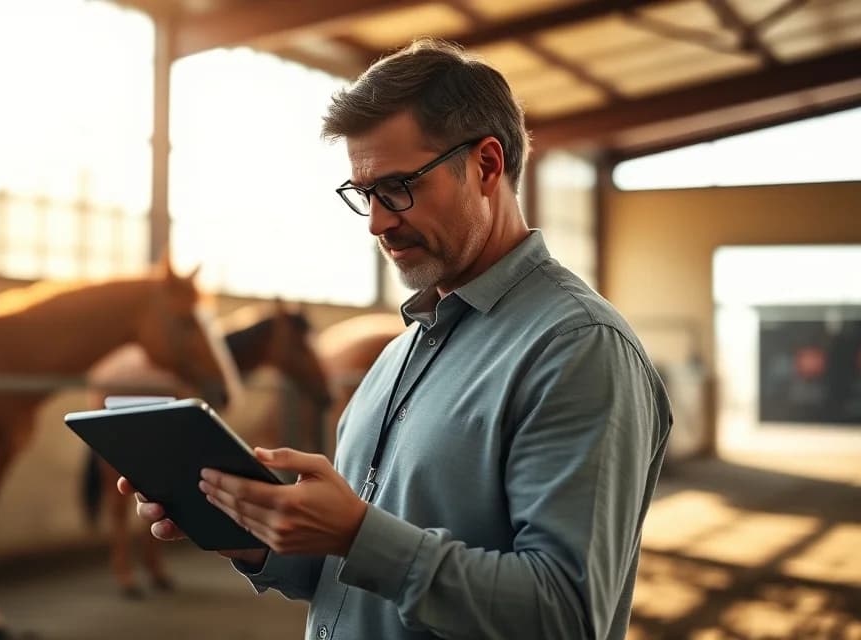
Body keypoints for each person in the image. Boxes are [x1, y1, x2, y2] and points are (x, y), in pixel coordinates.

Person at [119, 37, 671, 639]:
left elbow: (563, 615)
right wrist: (255, 533)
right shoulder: (401, 352)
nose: (379, 221)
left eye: (399, 187)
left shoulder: (576, 349)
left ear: (487, 165)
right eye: (365, 195)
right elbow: (356, 576)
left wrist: (358, 533)